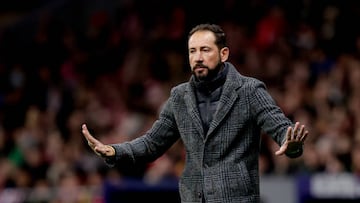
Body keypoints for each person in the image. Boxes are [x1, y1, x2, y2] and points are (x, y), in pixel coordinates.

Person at [82, 23, 308, 203]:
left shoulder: (249, 90)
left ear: (224, 54)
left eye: (205, 50)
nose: (197, 57)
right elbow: (152, 144)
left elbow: (279, 126)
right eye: (192, 51)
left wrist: (291, 143)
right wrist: (114, 151)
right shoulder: (180, 96)